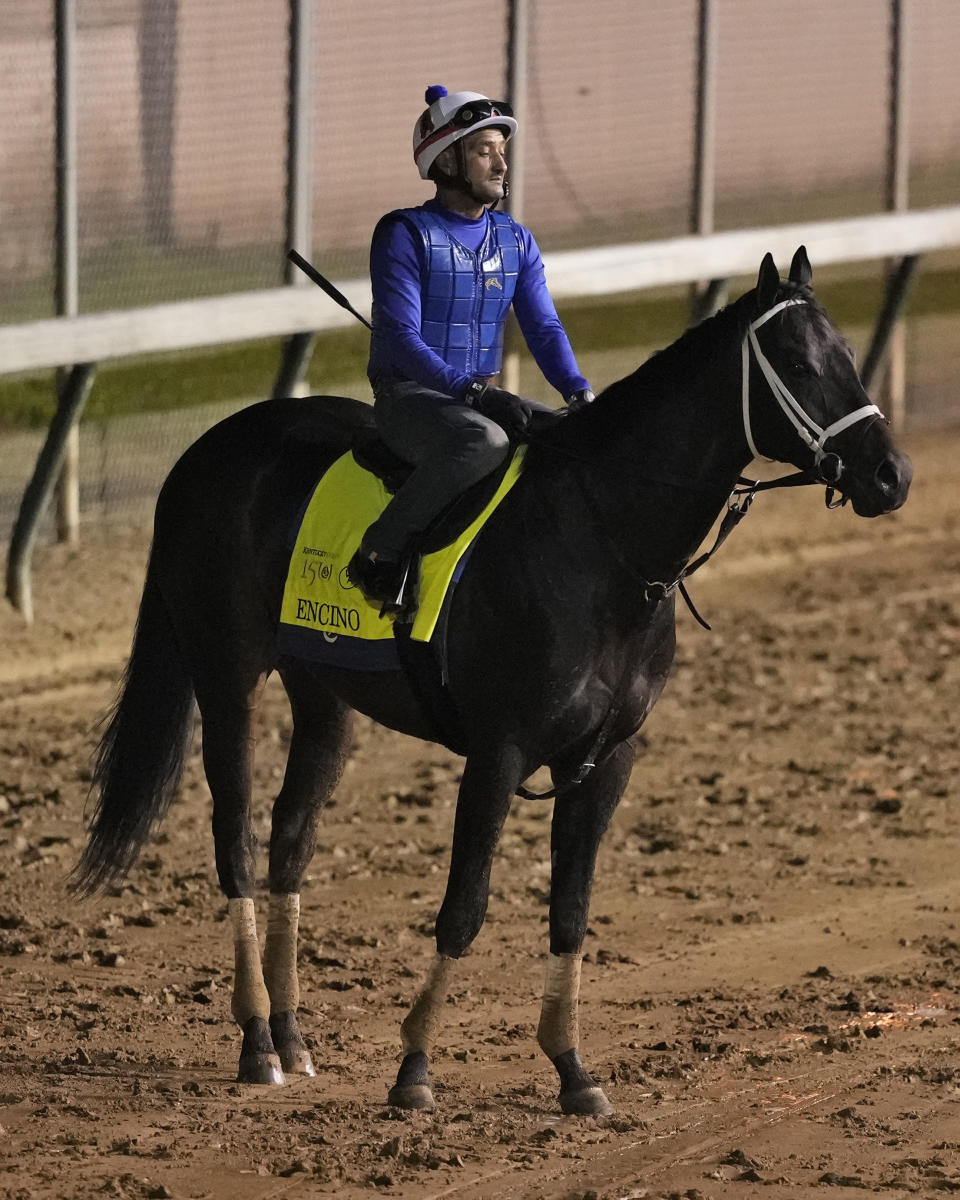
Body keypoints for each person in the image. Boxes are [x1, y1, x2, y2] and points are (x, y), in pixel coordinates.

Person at [347, 84, 594, 604]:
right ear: (447, 161)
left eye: (502, 152)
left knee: (565, 441)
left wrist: (579, 394)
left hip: (476, 400)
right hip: (411, 402)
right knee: (483, 441)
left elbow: (545, 329)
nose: (501, 164)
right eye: (484, 151)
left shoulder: (517, 241)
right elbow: (401, 339)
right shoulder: (403, 234)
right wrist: (476, 395)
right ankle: (380, 552)